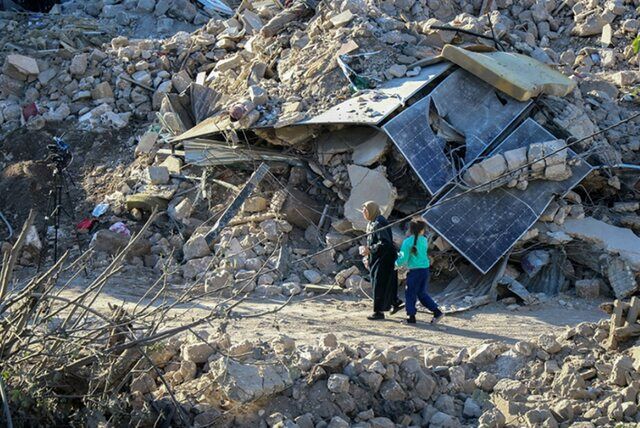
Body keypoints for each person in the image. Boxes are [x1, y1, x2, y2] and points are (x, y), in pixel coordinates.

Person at [395, 217, 444, 325]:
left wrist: (395, 265)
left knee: (410, 294)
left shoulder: (407, 242)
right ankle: (437, 312)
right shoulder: (424, 240)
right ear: (422, 230)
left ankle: (411, 317)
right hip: (425, 270)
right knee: (422, 293)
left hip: (414, 272)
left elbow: (403, 259)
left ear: (410, 230)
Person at [361, 201, 403, 320]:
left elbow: (385, 243)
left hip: (384, 259)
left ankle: (378, 312)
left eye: (366, 210)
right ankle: (395, 302)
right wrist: (367, 254)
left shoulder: (379, 223)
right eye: (363, 211)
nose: (364, 213)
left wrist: (370, 249)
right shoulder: (372, 222)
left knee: (379, 284)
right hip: (378, 258)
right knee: (386, 283)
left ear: (372, 210)